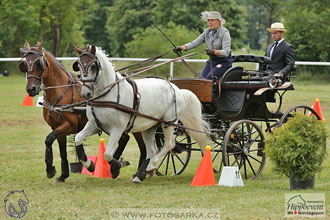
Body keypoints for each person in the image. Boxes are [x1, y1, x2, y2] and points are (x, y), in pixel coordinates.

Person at [173, 11, 233, 80]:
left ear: (219, 21)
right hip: (212, 61)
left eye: (212, 20)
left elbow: (226, 52)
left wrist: (213, 51)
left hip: (224, 62)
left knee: (209, 78)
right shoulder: (206, 32)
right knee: (201, 79)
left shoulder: (225, 33)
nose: (210, 22)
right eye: (208, 20)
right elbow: (194, 43)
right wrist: (181, 48)